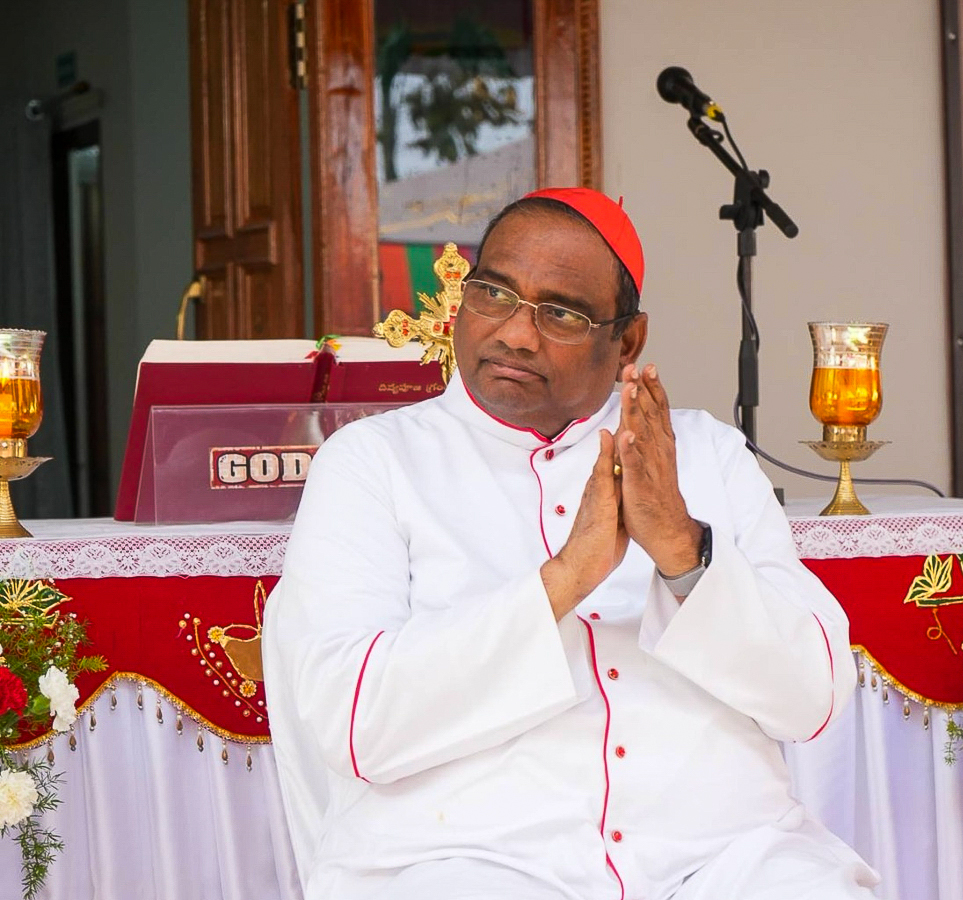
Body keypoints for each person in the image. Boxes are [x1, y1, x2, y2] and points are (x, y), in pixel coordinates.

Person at [262, 187, 880, 900]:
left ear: (629, 341)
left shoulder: (709, 455)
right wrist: (566, 578)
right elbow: (354, 724)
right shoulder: (374, 462)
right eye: (494, 293)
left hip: (724, 856)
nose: (516, 334)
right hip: (460, 861)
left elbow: (813, 699)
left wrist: (681, 548)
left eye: (561, 313)